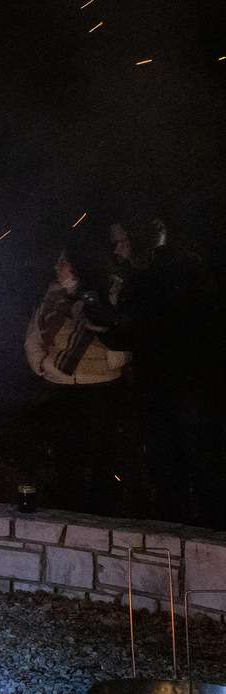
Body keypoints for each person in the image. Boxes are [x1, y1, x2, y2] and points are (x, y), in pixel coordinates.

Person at [109, 219, 222, 526]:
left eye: (121, 241)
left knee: (193, 470)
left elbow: (135, 330)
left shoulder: (166, 274)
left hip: (184, 391)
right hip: (170, 389)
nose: (117, 249)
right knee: (174, 471)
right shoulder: (170, 271)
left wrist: (106, 317)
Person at [24, 235, 130, 515]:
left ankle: (102, 519)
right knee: (64, 456)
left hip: (98, 385)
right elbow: (34, 331)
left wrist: (114, 359)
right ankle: (67, 516)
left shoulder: (110, 290)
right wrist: (42, 364)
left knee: (99, 458)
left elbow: (124, 335)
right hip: (59, 384)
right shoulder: (52, 293)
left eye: (64, 262)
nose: (57, 267)